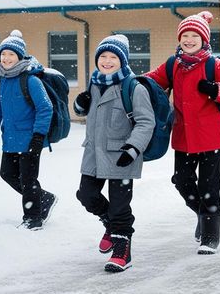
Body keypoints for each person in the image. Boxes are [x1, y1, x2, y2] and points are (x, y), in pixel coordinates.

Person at [144, 11, 220, 254]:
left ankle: (210, 236)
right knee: (182, 181)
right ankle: (203, 214)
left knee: (210, 186)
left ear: (204, 39)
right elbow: (149, 82)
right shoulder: (173, 64)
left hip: (211, 136)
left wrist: (216, 89)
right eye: (185, 35)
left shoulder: (216, 65)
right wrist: (128, 83)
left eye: (194, 35)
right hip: (183, 136)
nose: (189, 39)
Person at [73, 34, 155, 272]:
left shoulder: (133, 88)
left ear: (123, 61)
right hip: (93, 153)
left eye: (113, 57)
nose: (107, 61)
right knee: (86, 195)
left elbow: (145, 122)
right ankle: (110, 224)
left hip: (122, 155)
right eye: (103, 57)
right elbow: (86, 114)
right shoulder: (95, 83)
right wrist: (80, 104)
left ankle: (122, 250)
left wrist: (132, 148)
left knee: (120, 206)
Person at [0, 30, 58, 230]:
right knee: (7, 174)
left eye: (11, 54)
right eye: (3, 54)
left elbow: (45, 108)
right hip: (10, 139)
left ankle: (33, 219)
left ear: (19, 57)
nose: (6, 58)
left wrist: (38, 136)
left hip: (30, 139)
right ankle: (45, 198)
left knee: (28, 179)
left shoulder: (31, 80)